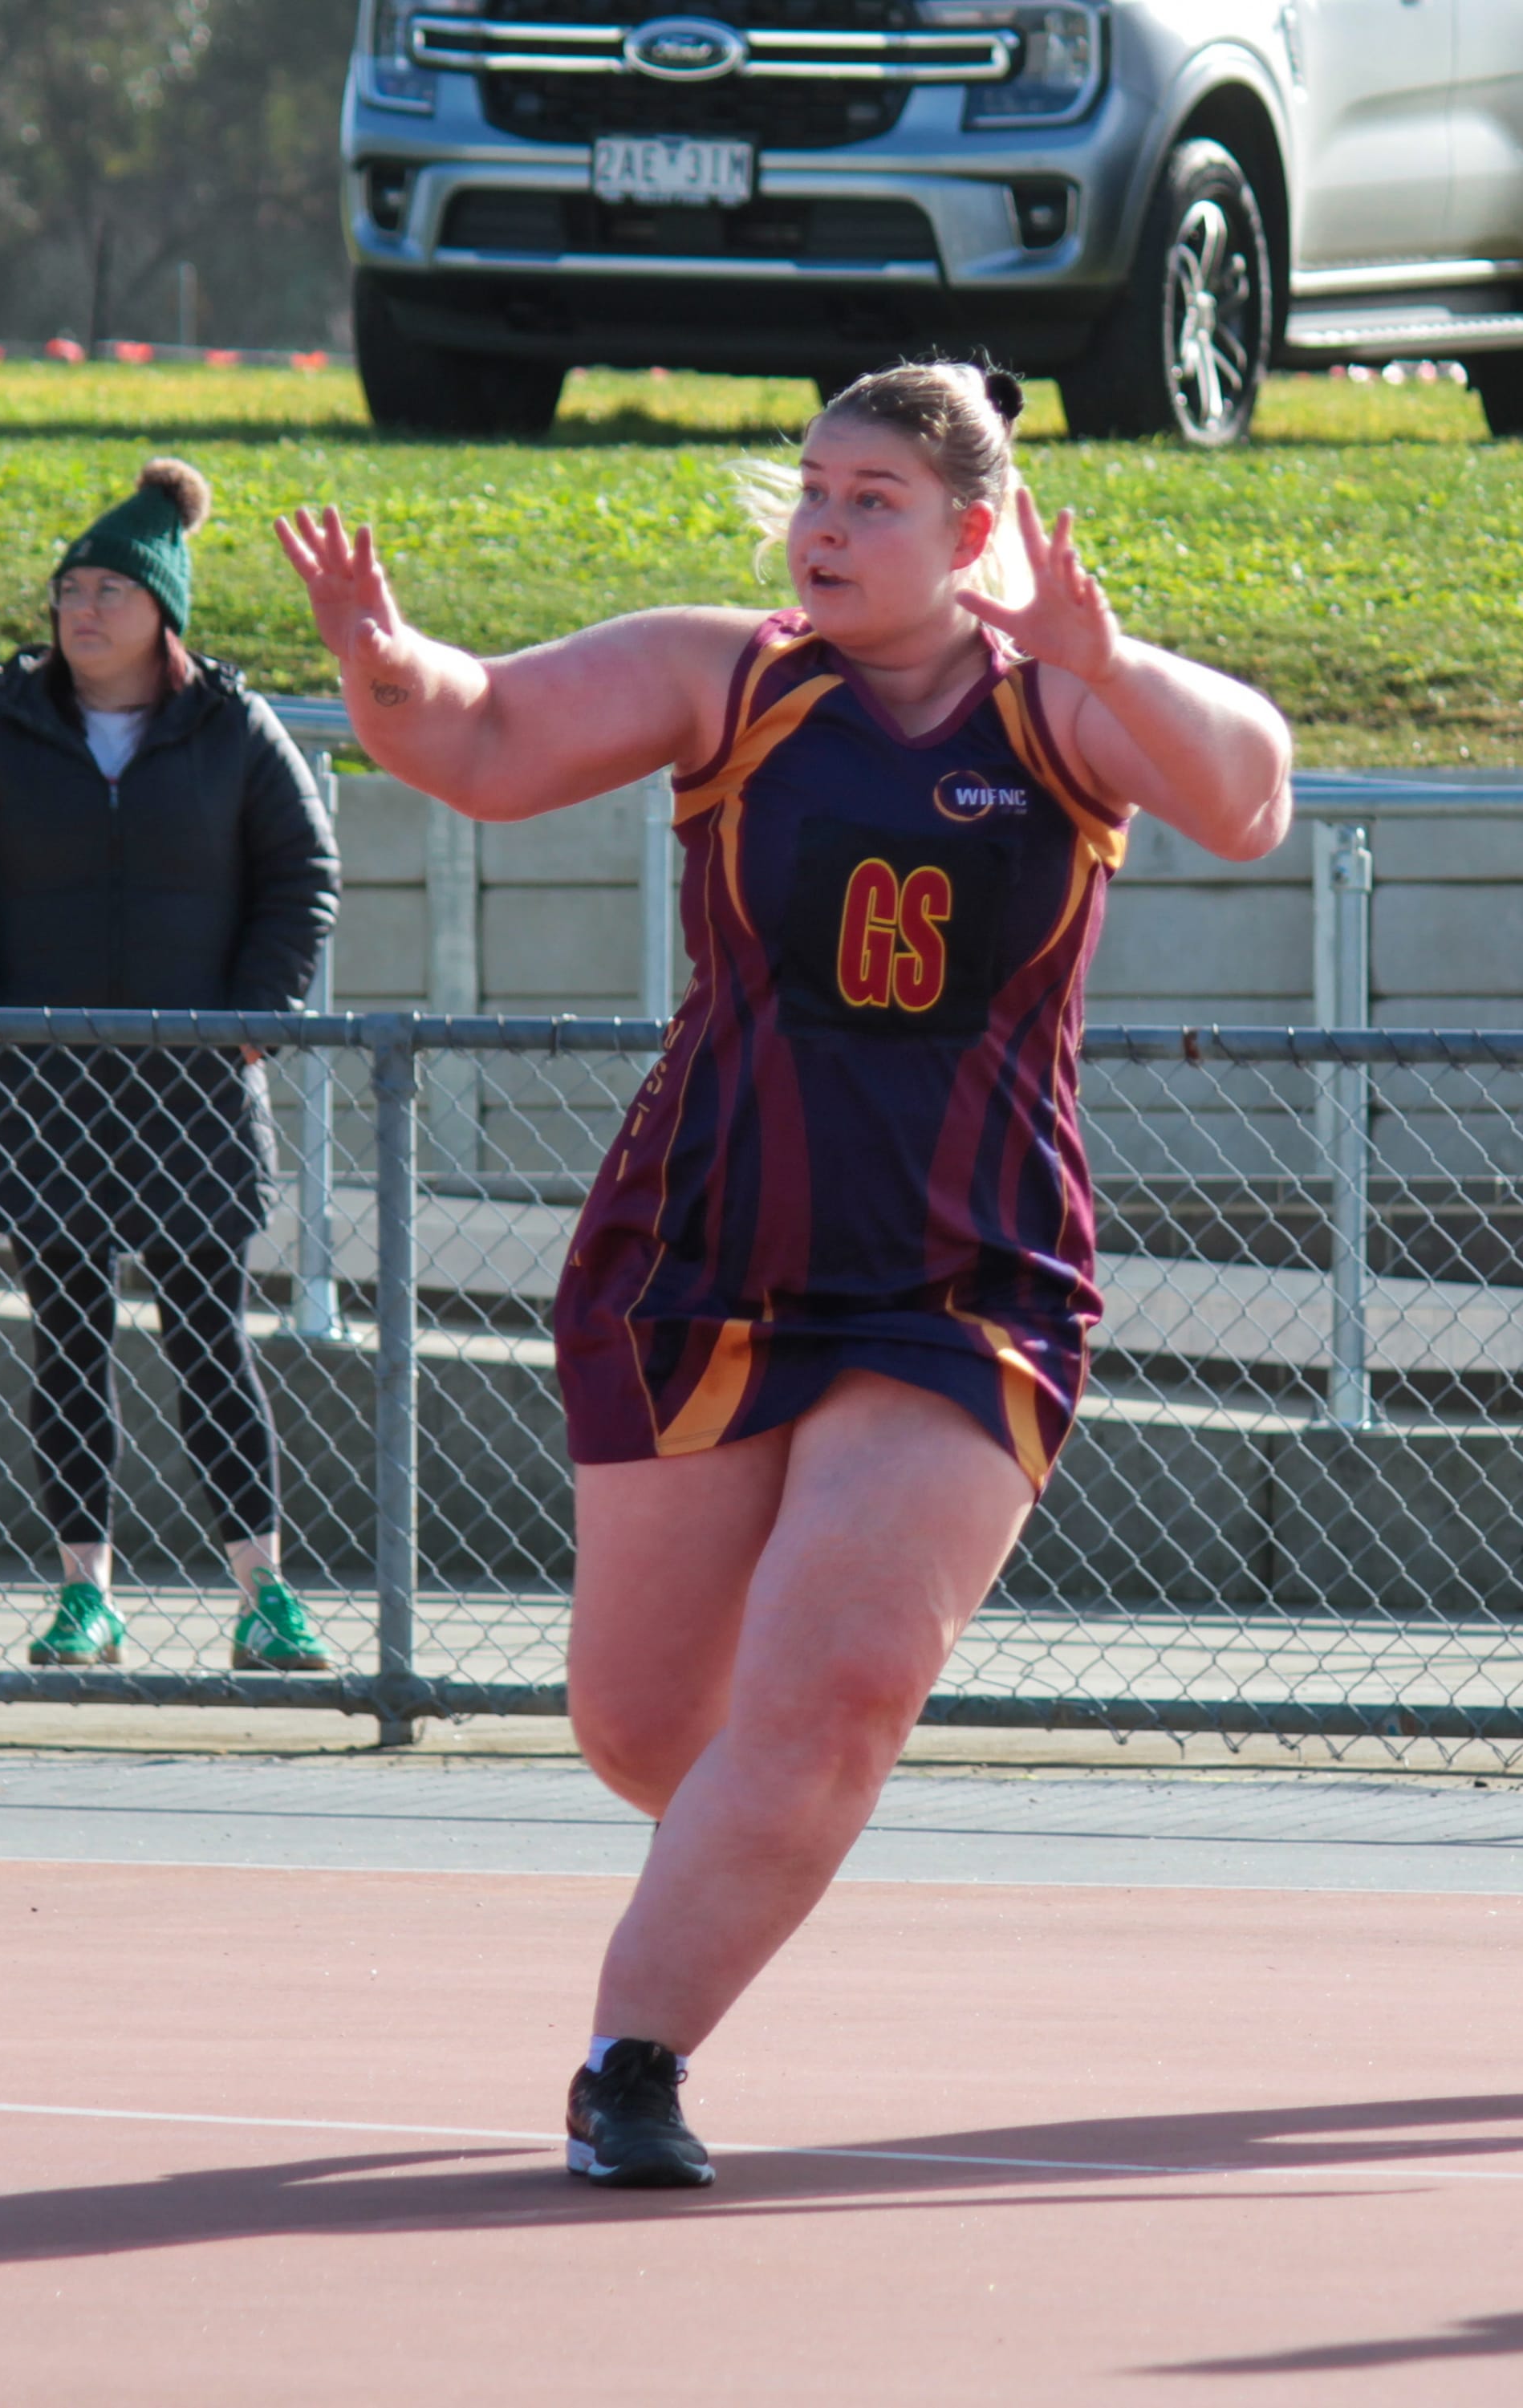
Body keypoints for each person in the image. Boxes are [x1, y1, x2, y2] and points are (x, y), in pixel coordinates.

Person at [278, 360, 1291, 2187]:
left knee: (835, 1690)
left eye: (873, 499)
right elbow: (483, 739)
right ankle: (748, 1833)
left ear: (971, 533)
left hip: (965, 1269)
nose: (823, 524)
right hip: (709, 1241)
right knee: (647, 1726)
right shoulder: (727, 676)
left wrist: (1115, 656)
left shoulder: (1057, 705)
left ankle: (630, 2062)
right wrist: (384, 657)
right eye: (812, 489)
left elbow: (1251, 799)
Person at [0, 457, 341, 1673]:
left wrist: (258, 1011)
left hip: (193, 1086)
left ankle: (267, 1594)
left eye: (109, 591)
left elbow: (303, 877)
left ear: (164, 613)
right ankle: (84, 1595)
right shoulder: (8, 721)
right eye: (68, 588)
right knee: (69, 1334)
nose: (81, 609)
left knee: (209, 1335)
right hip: (43, 1091)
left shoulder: (232, 731)